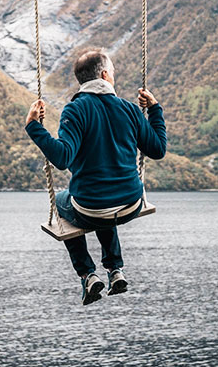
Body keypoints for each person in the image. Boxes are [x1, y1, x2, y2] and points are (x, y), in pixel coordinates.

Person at [25, 47, 168, 304]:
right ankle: (115, 270)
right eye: (112, 72)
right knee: (104, 200)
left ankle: (88, 275)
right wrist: (155, 109)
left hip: (91, 208)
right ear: (104, 75)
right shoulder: (129, 109)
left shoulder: (75, 111)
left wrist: (34, 127)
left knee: (62, 201)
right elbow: (158, 149)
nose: (114, 76)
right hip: (132, 205)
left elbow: (62, 158)